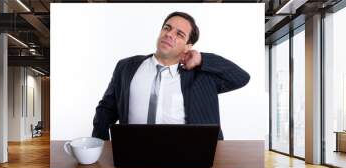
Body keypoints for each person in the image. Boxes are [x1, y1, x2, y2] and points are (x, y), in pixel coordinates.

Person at [92, 11, 250, 140]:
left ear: (188, 46)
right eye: (167, 28)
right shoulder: (126, 67)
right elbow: (107, 108)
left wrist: (202, 58)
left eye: (179, 34)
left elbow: (241, 77)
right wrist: (98, 145)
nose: (169, 34)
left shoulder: (201, 76)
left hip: (190, 156)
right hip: (133, 153)